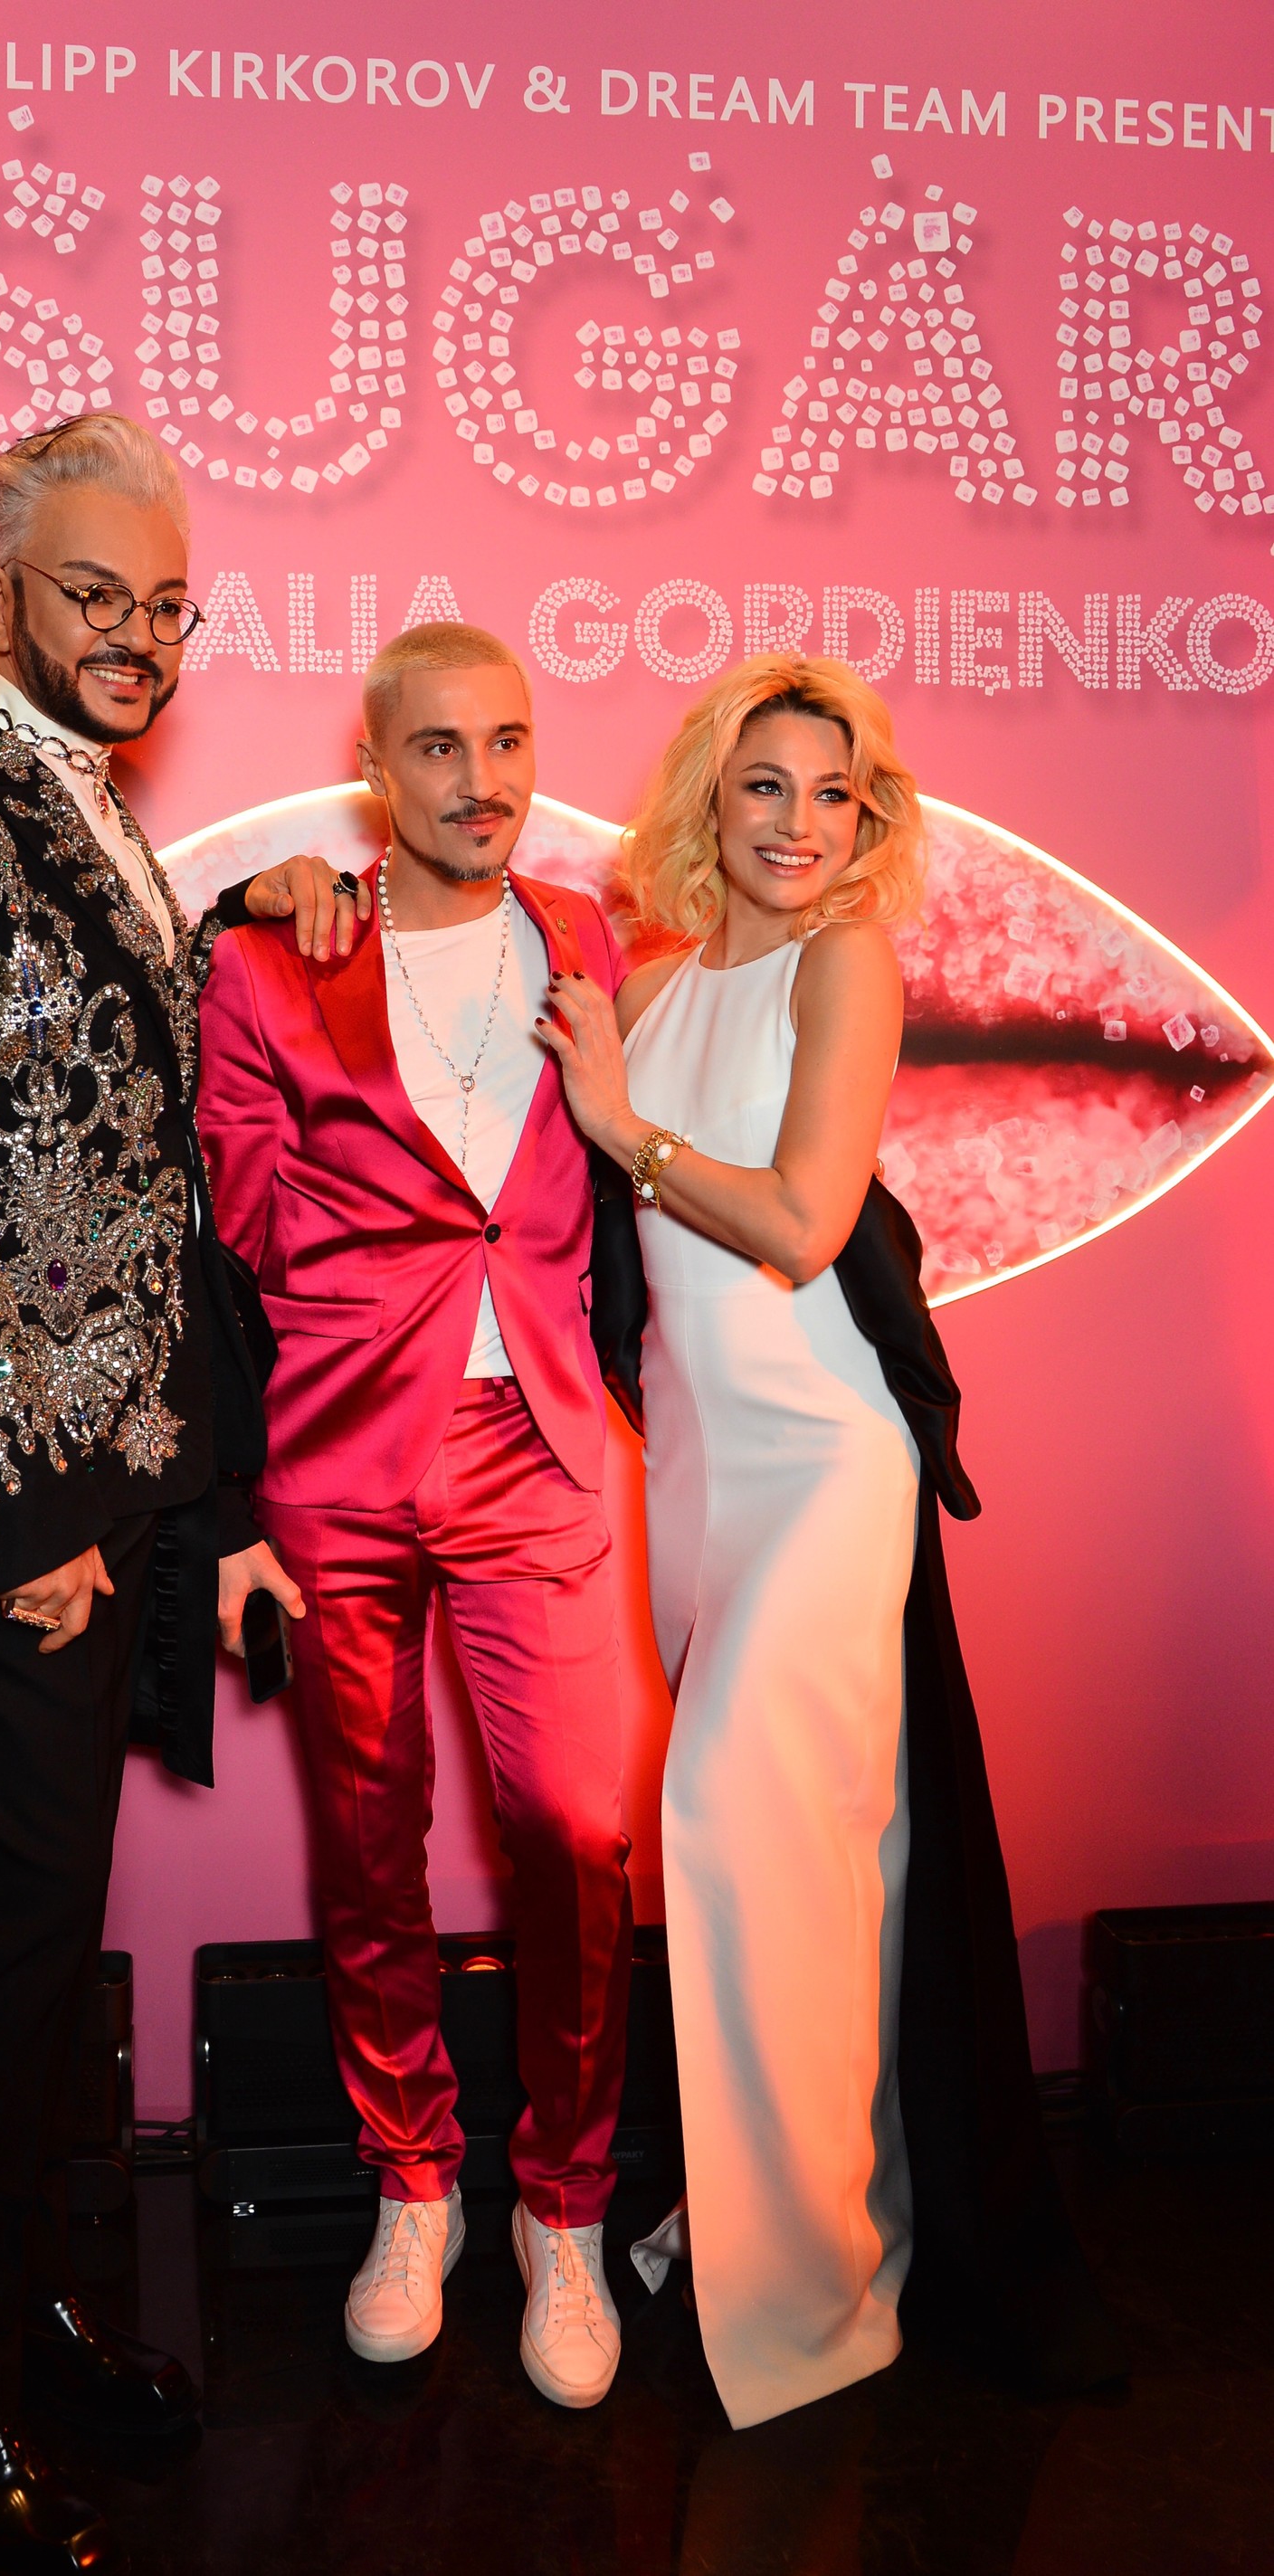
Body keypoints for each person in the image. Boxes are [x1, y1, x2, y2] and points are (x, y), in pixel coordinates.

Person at [0, 411, 350, 2573]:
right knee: (6, 1964)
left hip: (117, 1485)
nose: (136, 635)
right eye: (96, 594)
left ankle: (22, 2322)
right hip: (7, 1505)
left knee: (45, 1953)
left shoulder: (84, 805)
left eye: (166, 603)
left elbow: (81, 1057)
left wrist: (233, 917)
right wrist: (23, 1520)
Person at [537, 654, 1072, 2428]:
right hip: (699, 1476)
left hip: (829, 1460)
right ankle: (790, 2222)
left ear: (865, 819)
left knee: (741, 1828)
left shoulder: (849, 963)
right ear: (713, 794)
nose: (795, 821)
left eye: (829, 792)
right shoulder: (657, 982)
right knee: (800, 1866)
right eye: (763, 783)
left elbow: (797, 1222)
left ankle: (815, 2296)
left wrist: (622, 1128)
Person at [197, 624, 634, 2410]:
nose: (481, 778)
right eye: (439, 746)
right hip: (337, 1457)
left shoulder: (585, 935)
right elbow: (230, 1229)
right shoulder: (276, 956)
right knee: (368, 1845)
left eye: (507, 740)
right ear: (378, 769)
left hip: (537, 1440)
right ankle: (413, 2181)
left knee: (574, 1838)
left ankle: (565, 2207)